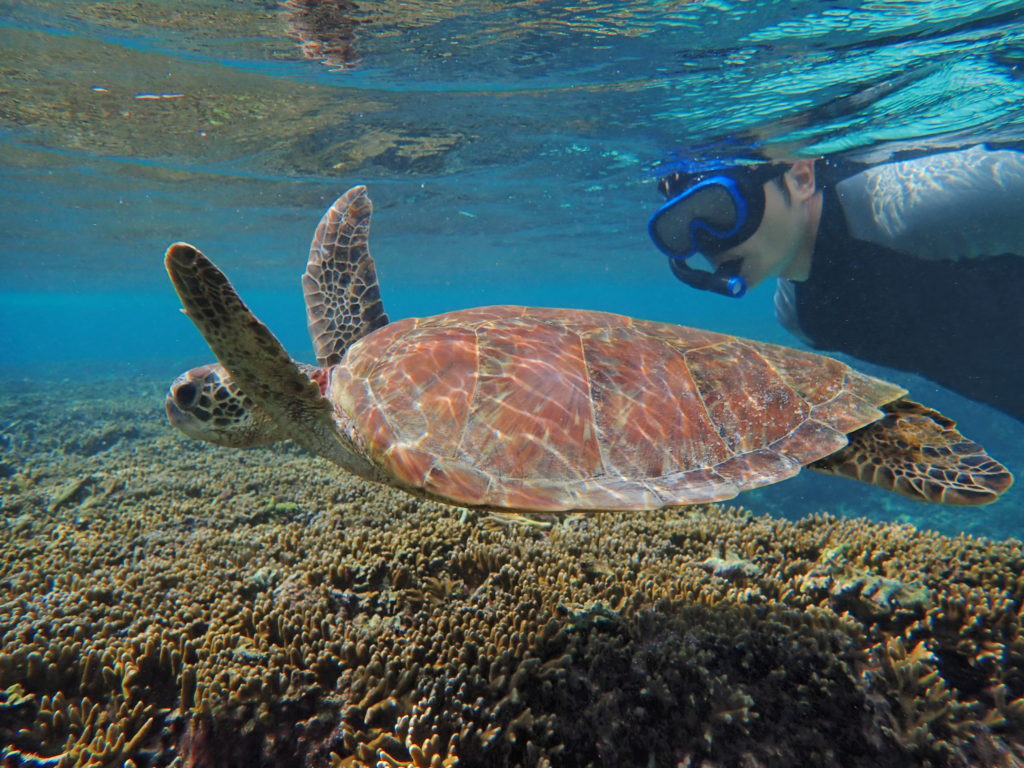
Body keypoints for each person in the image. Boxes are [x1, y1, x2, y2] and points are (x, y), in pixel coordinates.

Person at [648, 144, 1024, 421]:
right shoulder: (802, 319)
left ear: (801, 178)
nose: (711, 244)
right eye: (679, 228)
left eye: (719, 209)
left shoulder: (927, 204)